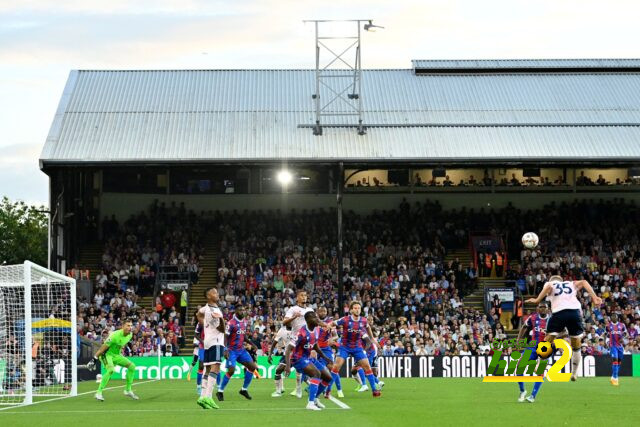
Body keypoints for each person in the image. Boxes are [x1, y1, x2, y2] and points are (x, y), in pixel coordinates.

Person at [526, 275, 602, 382]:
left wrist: (537, 299)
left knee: (548, 339)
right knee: (576, 345)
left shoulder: (550, 283)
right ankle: (574, 373)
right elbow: (584, 282)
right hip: (574, 312)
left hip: (559, 312)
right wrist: (594, 297)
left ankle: (538, 365)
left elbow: (548, 288)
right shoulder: (570, 283)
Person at [330, 301, 381, 397]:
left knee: (367, 367)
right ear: (351, 310)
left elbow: (368, 327)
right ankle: (328, 390)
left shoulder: (363, 321)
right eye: (355, 308)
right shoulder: (345, 320)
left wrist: (372, 338)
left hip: (357, 348)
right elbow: (332, 323)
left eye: (359, 308)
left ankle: (374, 389)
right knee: (337, 367)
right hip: (344, 346)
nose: (357, 310)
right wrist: (327, 329)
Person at [284, 311, 333, 411]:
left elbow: (315, 345)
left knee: (328, 377)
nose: (317, 320)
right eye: (314, 318)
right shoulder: (301, 333)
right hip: (298, 359)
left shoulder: (316, 330)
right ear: (308, 320)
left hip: (308, 358)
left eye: (317, 317)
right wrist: (288, 366)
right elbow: (288, 349)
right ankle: (310, 403)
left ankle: (315, 399)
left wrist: (324, 357)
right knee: (316, 374)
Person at [217, 305, 259, 401]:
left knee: (252, 367)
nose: (242, 311)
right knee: (231, 370)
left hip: (241, 350)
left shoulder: (244, 321)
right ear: (235, 311)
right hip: (232, 350)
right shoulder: (231, 323)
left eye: (243, 310)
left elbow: (243, 336)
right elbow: (225, 337)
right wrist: (225, 349)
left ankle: (244, 390)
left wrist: (252, 344)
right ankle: (220, 391)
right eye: (240, 310)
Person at [92, 318, 139, 401]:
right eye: (128, 326)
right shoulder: (114, 336)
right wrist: (94, 359)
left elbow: (120, 345)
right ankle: (98, 393)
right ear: (123, 326)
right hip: (107, 355)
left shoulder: (130, 335)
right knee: (111, 370)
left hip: (117, 355)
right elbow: (102, 348)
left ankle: (128, 390)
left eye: (131, 326)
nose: (130, 327)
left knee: (132, 366)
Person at [196, 288, 226, 410]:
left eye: (217, 292)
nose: (217, 294)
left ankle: (202, 397)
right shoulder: (213, 311)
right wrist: (222, 319)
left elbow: (198, 313)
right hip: (216, 341)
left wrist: (204, 323)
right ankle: (209, 397)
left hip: (207, 341)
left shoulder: (206, 308)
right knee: (216, 367)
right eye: (214, 293)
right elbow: (222, 330)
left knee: (207, 369)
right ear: (208, 296)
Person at [515, 303, 549, 403]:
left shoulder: (552, 320)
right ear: (538, 309)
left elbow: (562, 332)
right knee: (519, 365)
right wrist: (518, 340)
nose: (542, 309)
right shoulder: (533, 318)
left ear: (548, 309)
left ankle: (533, 396)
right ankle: (522, 391)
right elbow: (524, 328)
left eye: (544, 307)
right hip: (533, 347)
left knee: (540, 371)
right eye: (541, 307)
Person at [315, 306, 343, 398]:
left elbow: (336, 336)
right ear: (318, 312)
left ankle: (339, 390)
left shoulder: (330, 323)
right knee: (318, 369)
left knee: (332, 368)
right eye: (321, 311)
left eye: (325, 311)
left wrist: (332, 339)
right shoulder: (314, 322)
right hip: (315, 348)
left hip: (326, 349)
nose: (323, 312)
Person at [268, 324, 292, 397]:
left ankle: (315, 387)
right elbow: (274, 343)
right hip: (287, 354)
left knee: (304, 372)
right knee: (278, 370)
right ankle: (279, 390)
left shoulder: (298, 328)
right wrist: (270, 354)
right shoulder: (282, 330)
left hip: (298, 354)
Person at [606, 313, 628, 386]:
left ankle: (613, 376)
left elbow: (626, 333)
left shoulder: (622, 325)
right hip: (613, 346)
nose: (613, 318)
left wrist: (623, 338)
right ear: (611, 318)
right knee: (615, 360)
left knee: (618, 362)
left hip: (620, 346)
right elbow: (606, 334)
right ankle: (615, 379)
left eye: (615, 317)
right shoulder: (608, 326)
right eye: (612, 317)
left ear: (617, 318)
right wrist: (607, 341)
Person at [186, 319, 205, 396]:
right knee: (194, 362)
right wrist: (201, 343)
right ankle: (189, 373)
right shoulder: (197, 335)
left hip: (204, 349)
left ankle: (202, 381)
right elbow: (194, 344)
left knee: (204, 365)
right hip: (198, 350)